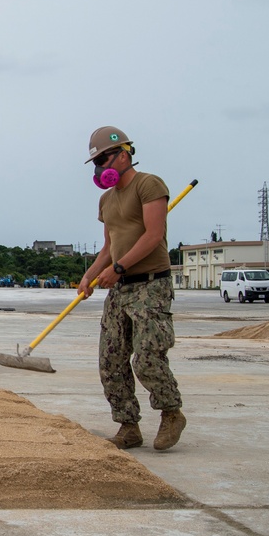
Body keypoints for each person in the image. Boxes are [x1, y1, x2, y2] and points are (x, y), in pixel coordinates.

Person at [78, 126, 185, 451]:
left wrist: (118, 268)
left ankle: (171, 413)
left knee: (147, 357)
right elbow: (109, 246)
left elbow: (153, 235)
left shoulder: (149, 185)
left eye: (103, 159)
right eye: (96, 162)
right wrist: (89, 275)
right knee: (111, 361)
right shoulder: (106, 199)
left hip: (150, 285)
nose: (99, 168)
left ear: (123, 154)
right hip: (120, 289)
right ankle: (128, 427)